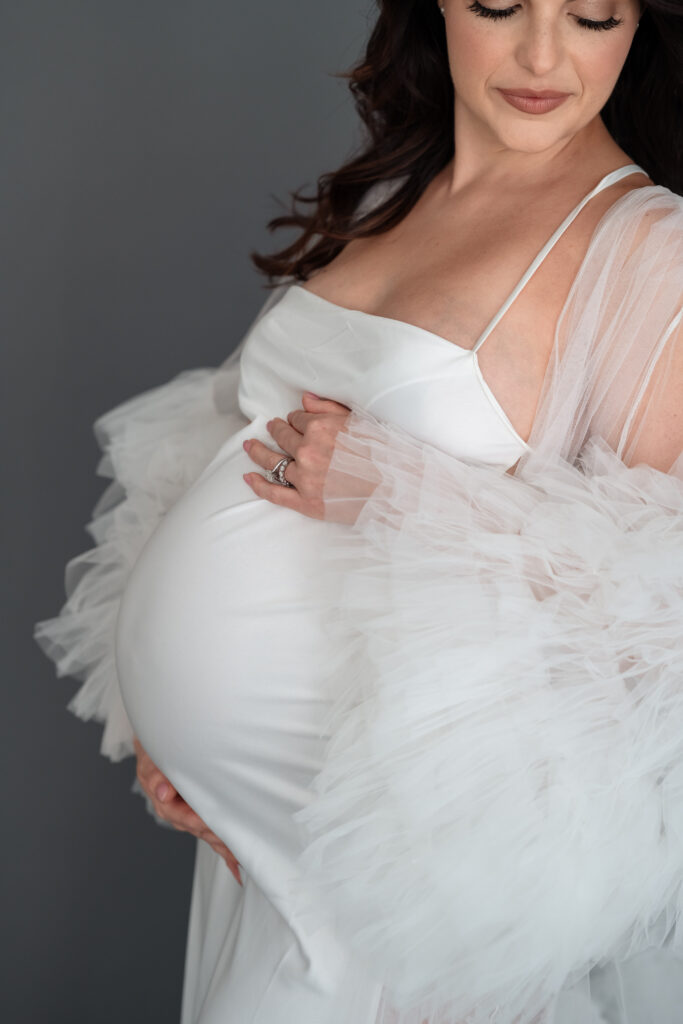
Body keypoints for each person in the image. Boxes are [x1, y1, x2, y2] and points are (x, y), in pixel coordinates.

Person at [34, 0, 683, 1022]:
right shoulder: (398, 189)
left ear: (640, 22)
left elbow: (660, 616)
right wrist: (157, 709)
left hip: (405, 883)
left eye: (593, 13)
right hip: (274, 850)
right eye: (499, 4)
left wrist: (402, 493)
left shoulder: (649, 254)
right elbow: (235, 429)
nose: (541, 54)